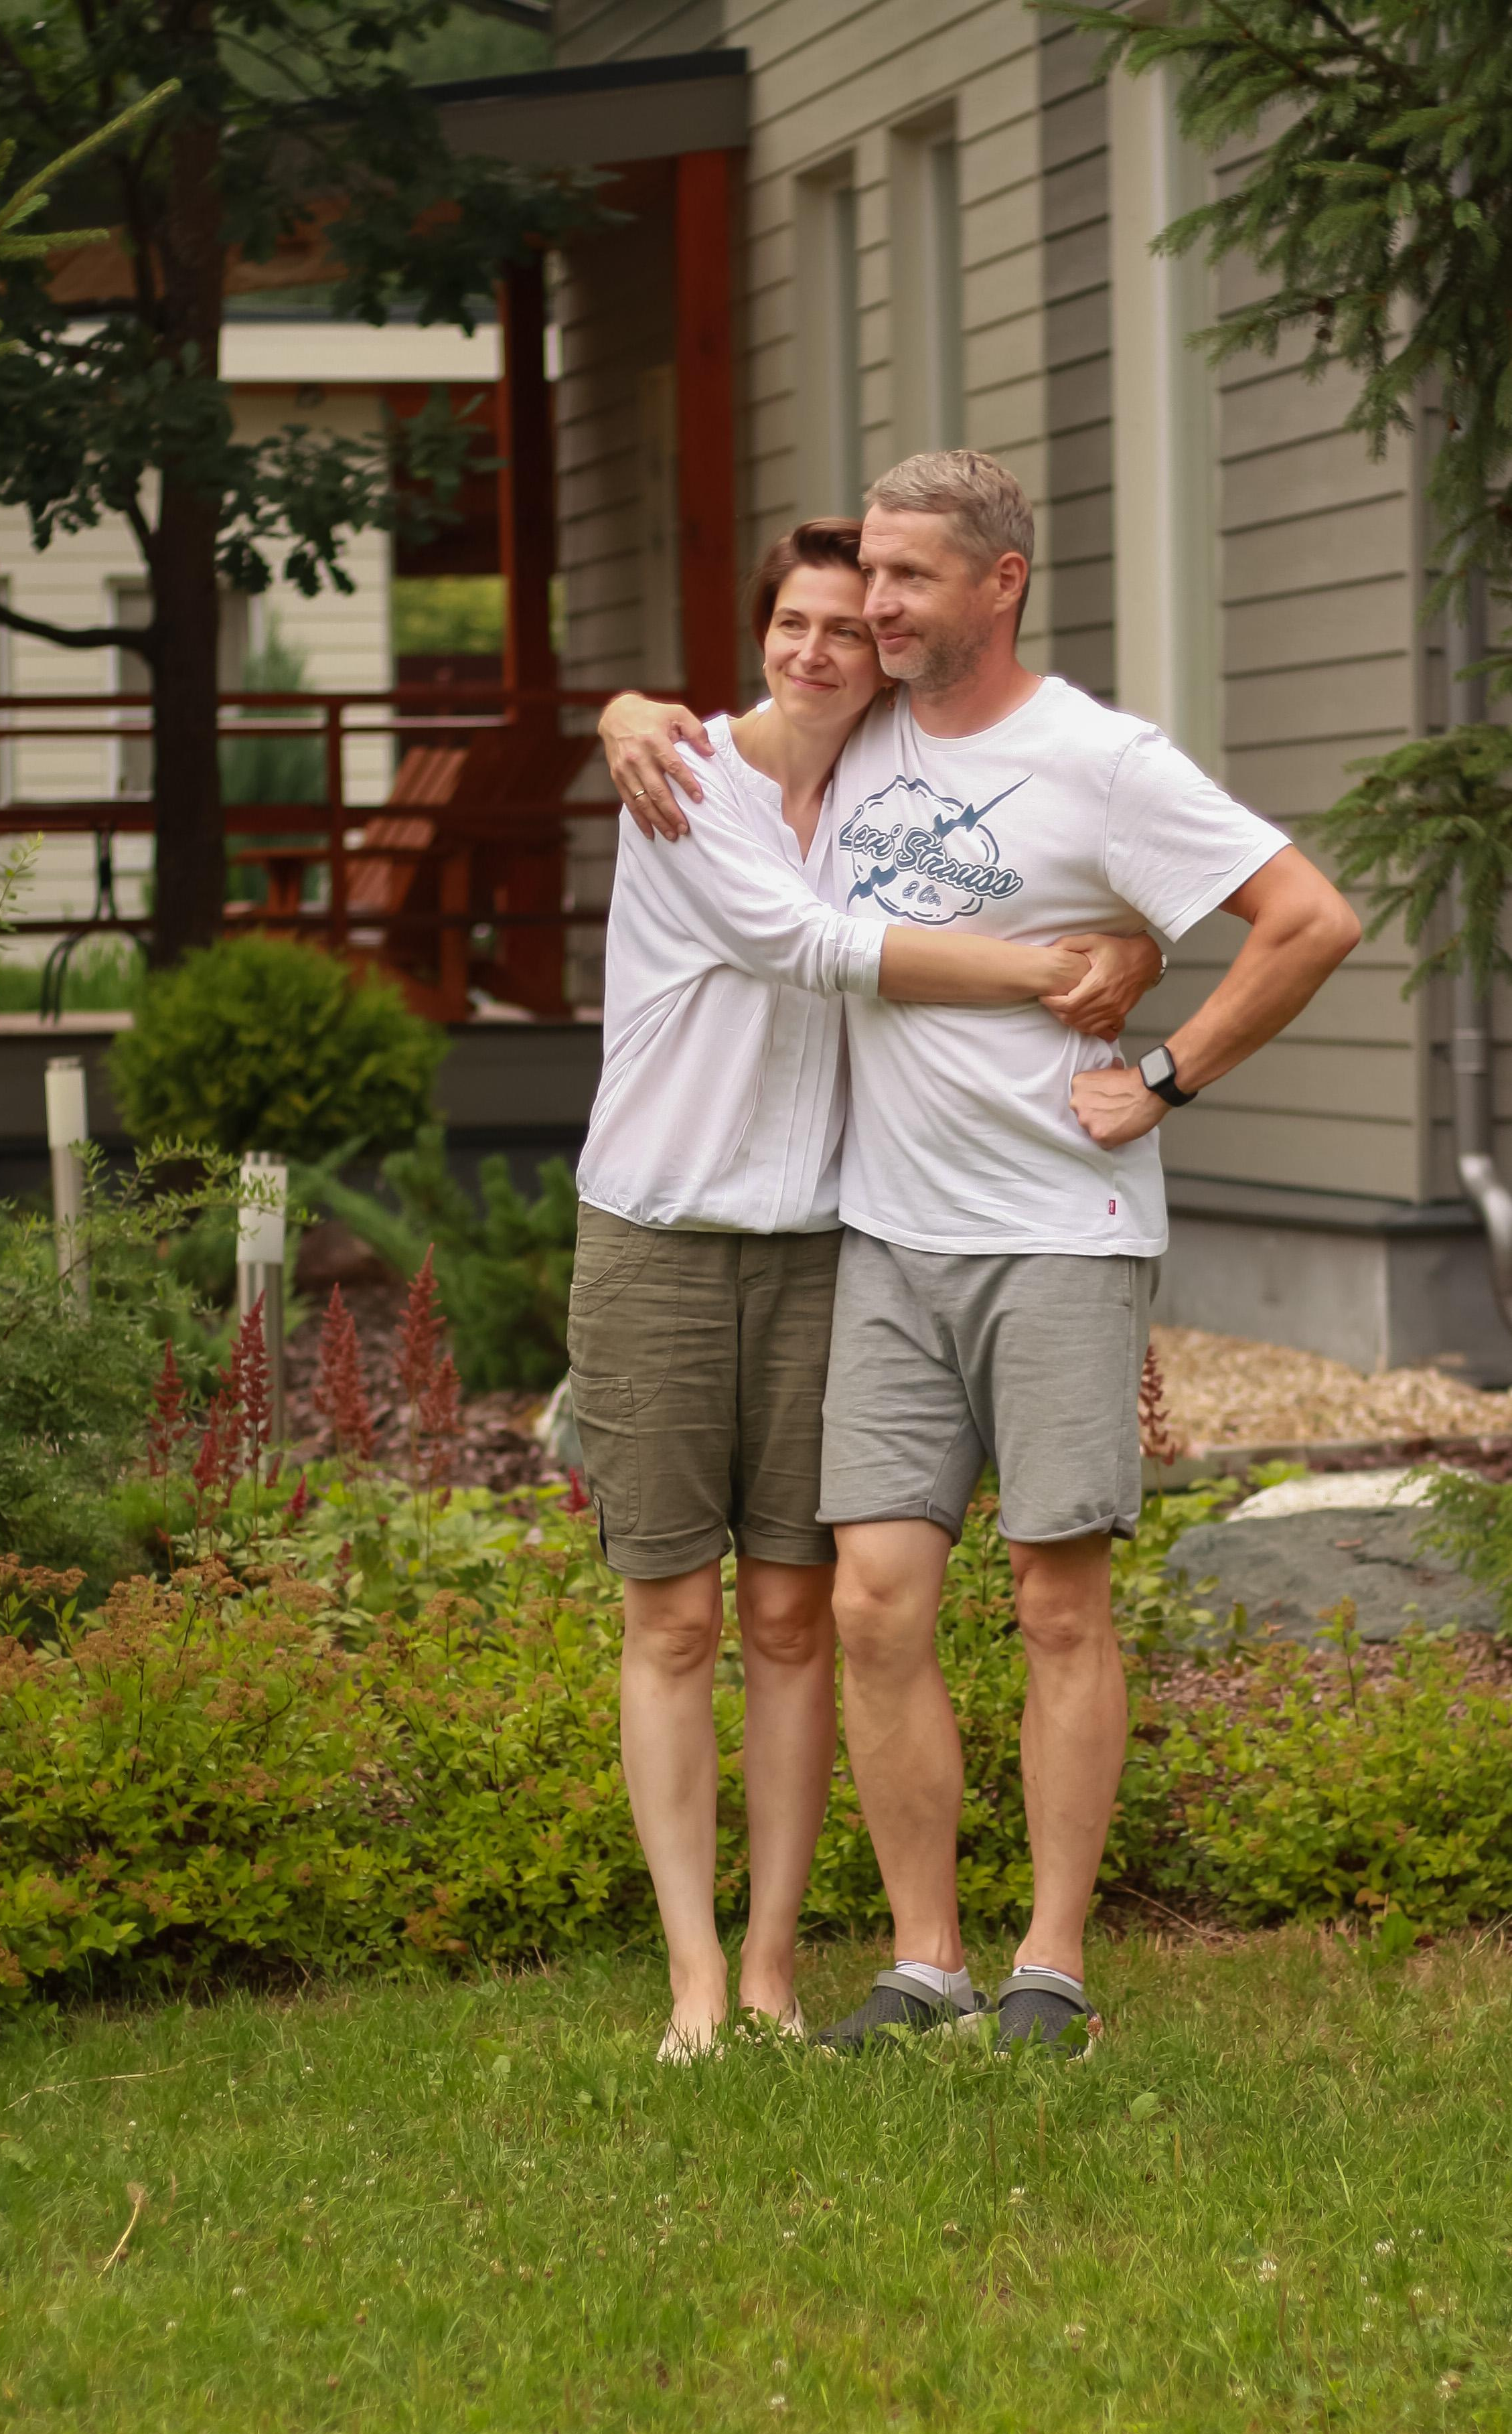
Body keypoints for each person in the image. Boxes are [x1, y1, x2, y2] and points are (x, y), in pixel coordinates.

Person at [600, 449, 1361, 2054]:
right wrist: (624, 708)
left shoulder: (1100, 757)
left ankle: (1053, 1962)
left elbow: (1307, 918)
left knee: (1055, 1600)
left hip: (1056, 1236)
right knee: (874, 1605)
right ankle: (926, 1956)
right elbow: (761, 786)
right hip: (878, 1235)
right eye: (862, 576)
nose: (870, 610)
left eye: (906, 579)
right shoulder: (859, 726)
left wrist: (1163, 1070)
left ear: (999, 584)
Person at [572, 514, 1161, 2061]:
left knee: (791, 1612)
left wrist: (1140, 935)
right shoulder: (684, 773)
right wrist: (1057, 968)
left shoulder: (890, 772)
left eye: (853, 623)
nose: (824, 647)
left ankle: (772, 1963)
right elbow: (816, 945)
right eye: (796, 622)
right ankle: (695, 1974)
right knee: (672, 1616)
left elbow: (1053, 798)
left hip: (832, 1235)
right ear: (757, 631)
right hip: (658, 1228)